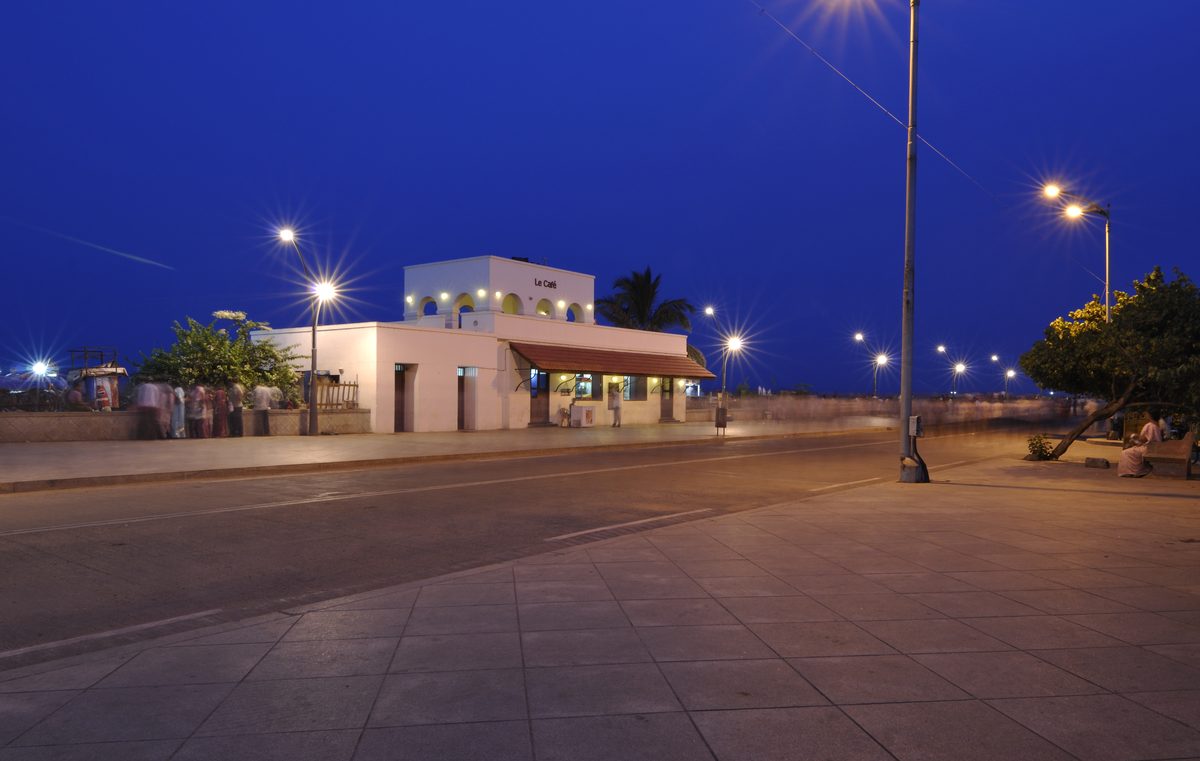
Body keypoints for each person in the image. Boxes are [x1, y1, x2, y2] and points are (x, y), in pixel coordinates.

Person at [1118, 408, 1163, 478]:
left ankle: (1134, 471)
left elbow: (1143, 439)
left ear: (1150, 415)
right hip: (1154, 447)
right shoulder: (1158, 425)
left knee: (1126, 452)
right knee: (1130, 450)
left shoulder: (1150, 425)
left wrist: (1133, 435)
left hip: (1149, 448)